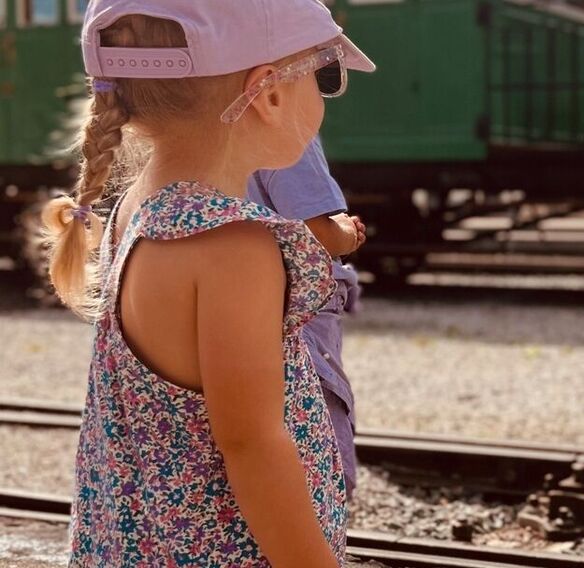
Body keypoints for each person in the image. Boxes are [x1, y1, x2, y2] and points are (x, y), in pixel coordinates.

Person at [40, 0, 375, 565]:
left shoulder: (138, 207)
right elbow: (252, 447)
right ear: (268, 94)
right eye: (324, 74)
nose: (324, 94)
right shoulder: (234, 246)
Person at [248, 137, 365, 499]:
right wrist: (346, 235)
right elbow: (316, 233)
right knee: (317, 461)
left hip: (237, 307)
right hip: (298, 310)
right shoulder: (286, 132)